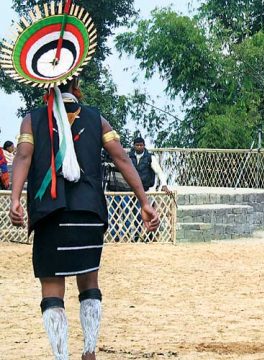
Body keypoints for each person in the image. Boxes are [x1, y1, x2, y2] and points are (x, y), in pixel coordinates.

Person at [4, 3, 160, 360]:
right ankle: (89, 351)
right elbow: (121, 159)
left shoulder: (32, 120)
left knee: (52, 291)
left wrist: (14, 198)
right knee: (89, 283)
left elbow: (23, 158)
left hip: (51, 216)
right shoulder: (97, 119)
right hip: (89, 215)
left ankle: (63, 357)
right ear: (75, 80)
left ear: (43, 81)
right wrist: (144, 201)